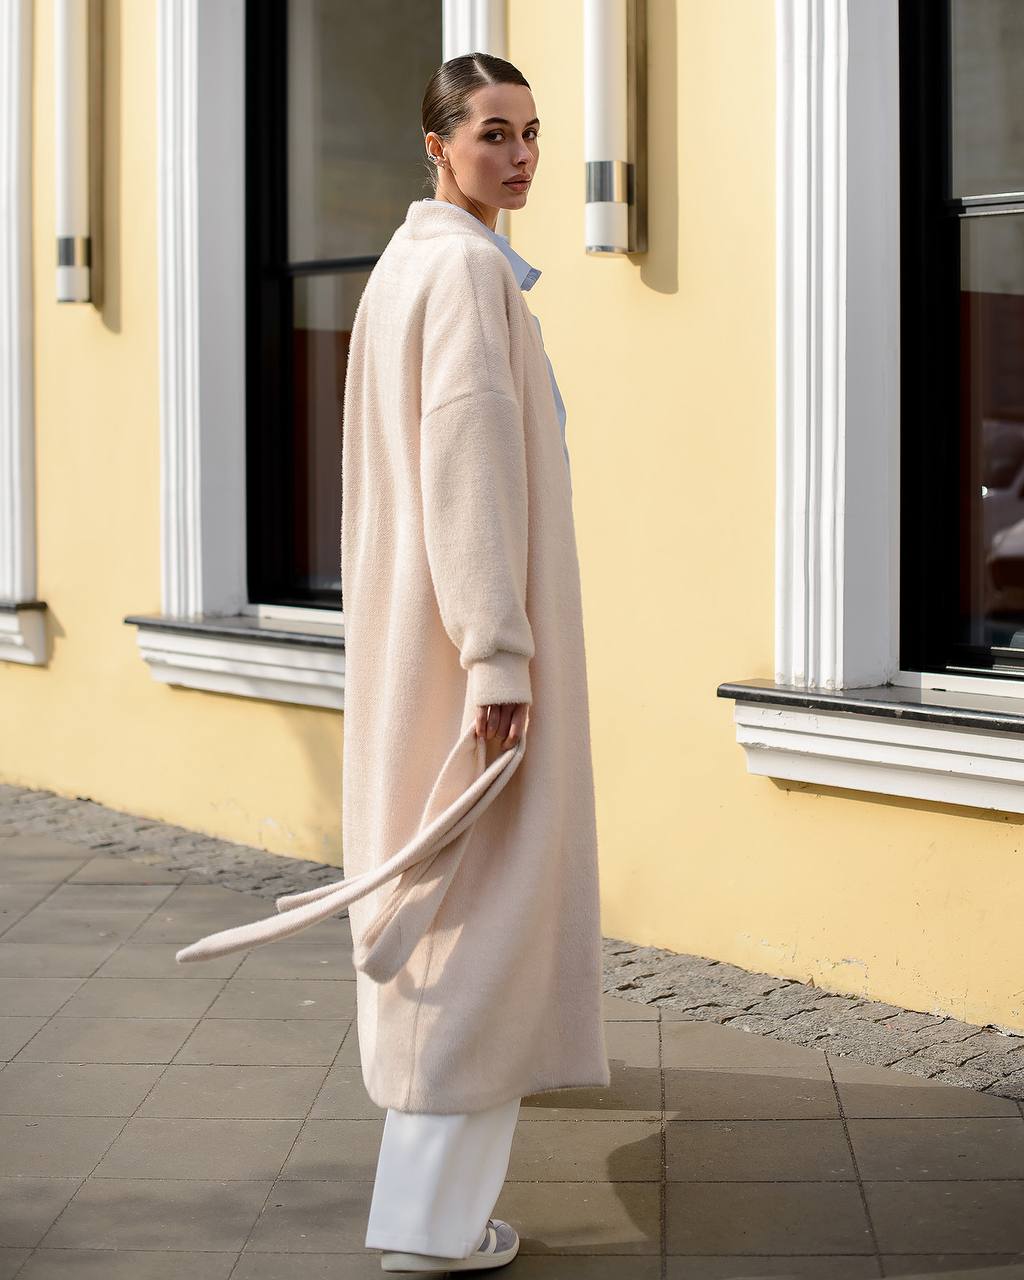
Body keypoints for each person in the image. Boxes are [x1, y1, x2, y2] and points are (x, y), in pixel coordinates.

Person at [175, 49, 611, 1275]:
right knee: (481, 916)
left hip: (412, 641)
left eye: (530, 132)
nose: (519, 154)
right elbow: (468, 467)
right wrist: (500, 653)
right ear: (437, 146)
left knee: (445, 907)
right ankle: (430, 1224)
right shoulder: (469, 273)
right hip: (468, 649)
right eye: (491, 133)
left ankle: (439, 1212)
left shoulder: (404, 267)